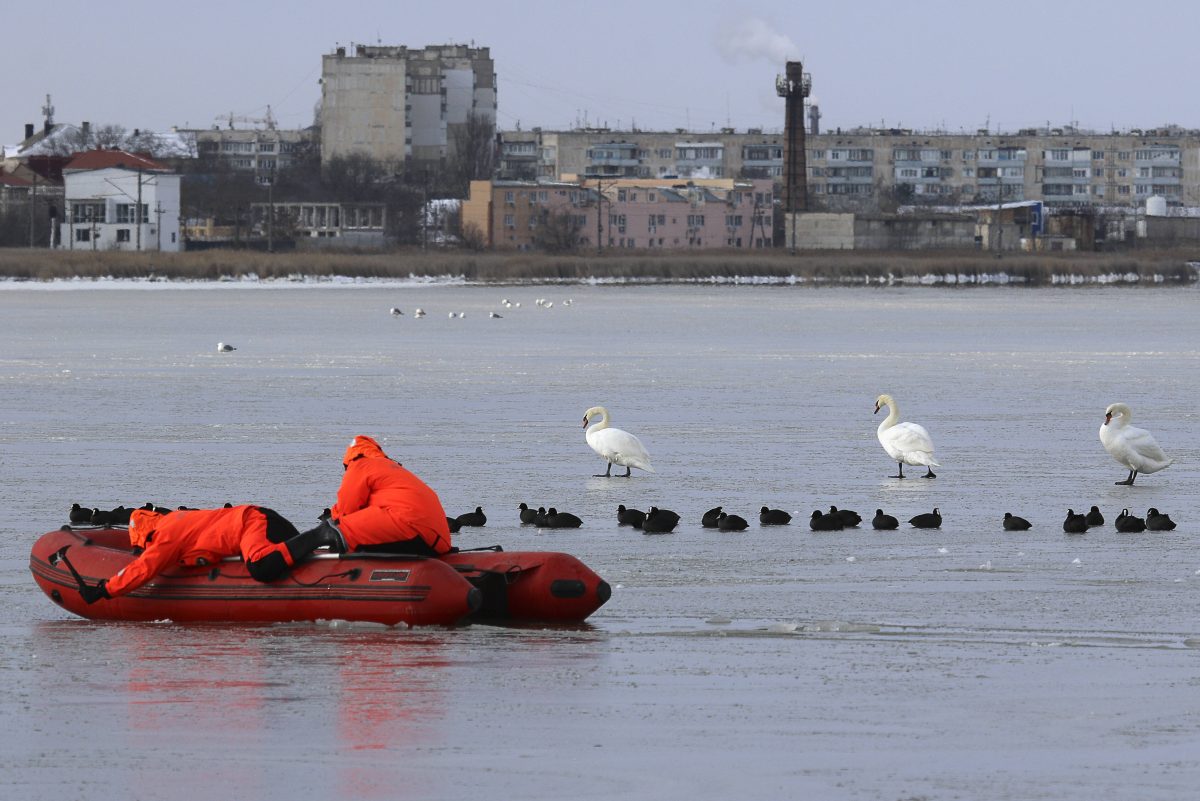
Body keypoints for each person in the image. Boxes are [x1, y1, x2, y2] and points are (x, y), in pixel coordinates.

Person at [79, 504, 303, 603]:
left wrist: (104, 590)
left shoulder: (165, 537)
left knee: (261, 567)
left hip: (255, 525)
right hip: (265, 519)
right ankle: (322, 540)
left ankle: (321, 534)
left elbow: (144, 568)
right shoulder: (175, 520)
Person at [287, 435, 452, 562]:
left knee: (334, 529)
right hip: (439, 541)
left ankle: (280, 559)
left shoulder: (360, 465)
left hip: (411, 527)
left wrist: (326, 526)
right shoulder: (393, 469)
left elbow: (346, 510)